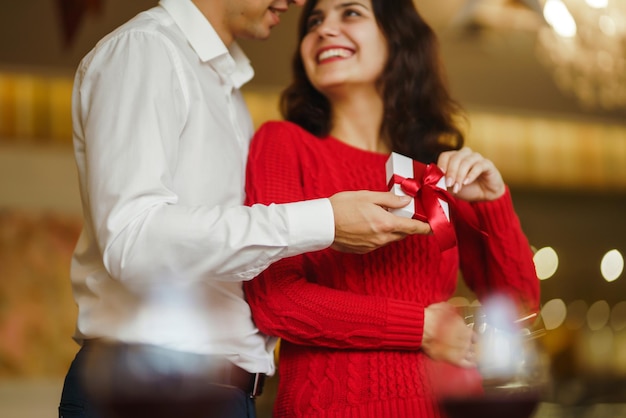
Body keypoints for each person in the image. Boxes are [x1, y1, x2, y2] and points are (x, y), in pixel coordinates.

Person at [57, 0, 434, 417]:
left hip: (227, 392)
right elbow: (133, 237)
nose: (294, 2)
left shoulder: (227, 92)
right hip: (149, 386)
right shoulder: (145, 50)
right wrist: (323, 220)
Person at [242, 0, 541, 417]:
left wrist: (493, 203)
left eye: (350, 12)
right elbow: (275, 300)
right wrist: (421, 327)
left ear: (397, 39)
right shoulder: (284, 144)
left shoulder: (438, 173)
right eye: (314, 20)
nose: (324, 29)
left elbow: (520, 308)